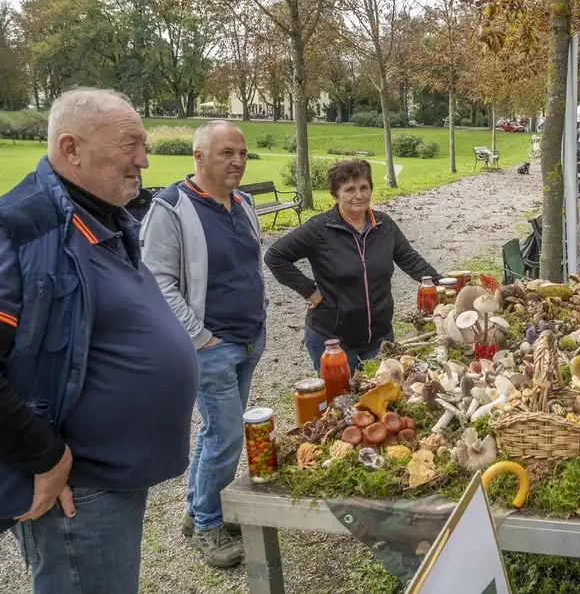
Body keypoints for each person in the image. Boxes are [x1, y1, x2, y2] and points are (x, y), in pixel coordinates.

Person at [0, 88, 198, 592]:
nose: (144, 160)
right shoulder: (21, 229)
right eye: (129, 145)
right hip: (77, 489)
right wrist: (45, 456)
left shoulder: (101, 212)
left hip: (113, 479)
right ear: (71, 149)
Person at [140, 121, 265, 567]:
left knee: (218, 432)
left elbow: (247, 265)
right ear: (198, 155)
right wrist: (201, 336)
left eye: (243, 153)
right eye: (226, 153)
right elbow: (157, 282)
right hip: (212, 346)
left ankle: (197, 511)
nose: (237, 161)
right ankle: (210, 525)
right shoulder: (171, 208)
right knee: (228, 433)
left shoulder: (243, 202)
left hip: (250, 339)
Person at [265, 159, 439, 371]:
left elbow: (411, 260)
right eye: (349, 189)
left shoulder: (384, 225)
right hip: (333, 341)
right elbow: (275, 256)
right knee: (340, 400)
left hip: (380, 336)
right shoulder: (320, 229)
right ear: (335, 195)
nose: (359, 195)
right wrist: (309, 290)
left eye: (364, 187)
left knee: (383, 396)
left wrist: (446, 284)